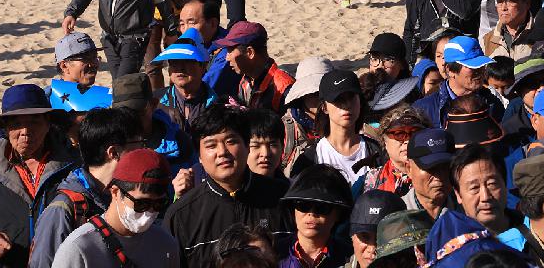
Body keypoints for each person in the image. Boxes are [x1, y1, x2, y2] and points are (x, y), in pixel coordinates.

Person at [0, 85, 78, 268]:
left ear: (48, 123)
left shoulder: (74, 165)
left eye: (34, 122)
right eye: (15, 124)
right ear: (5, 129)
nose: (25, 131)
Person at [163, 105, 291, 268]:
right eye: (211, 145)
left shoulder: (284, 200)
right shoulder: (181, 216)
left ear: (246, 146)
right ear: (199, 156)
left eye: (231, 141)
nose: (222, 151)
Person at [28, 107, 143, 268]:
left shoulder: (127, 196)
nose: (143, 153)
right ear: (114, 152)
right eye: (138, 145)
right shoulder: (62, 209)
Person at [48, 148, 178, 268]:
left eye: (159, 204)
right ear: (115, 192)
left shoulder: (165, 243)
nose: (149, 213)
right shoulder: (79, 248)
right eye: (141, 204)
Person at [279, 164, 355, 268]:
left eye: (322, 207)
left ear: (339, 213)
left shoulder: (352, 258)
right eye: (303, 205)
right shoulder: (271, 255)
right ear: (293, 209)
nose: (312, 213)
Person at [214, 21, 295, 113]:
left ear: (250, 52)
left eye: (230, 51)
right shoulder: (246, 80)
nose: (227, 58)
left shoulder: (282, 89)